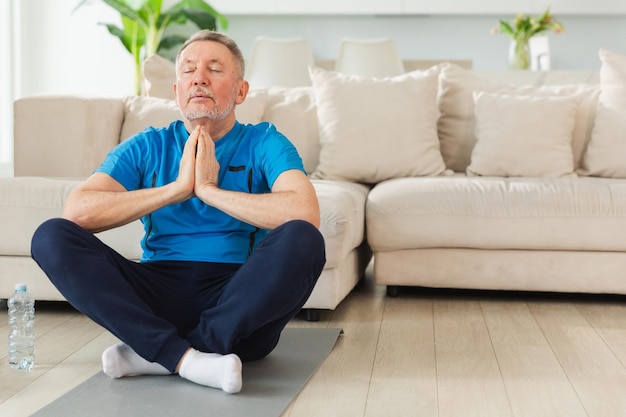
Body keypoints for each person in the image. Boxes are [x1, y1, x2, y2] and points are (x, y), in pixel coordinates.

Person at [30, 30, 326, 394]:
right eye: (188, 70)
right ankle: (191, 360)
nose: (199, 77)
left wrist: (210, 192)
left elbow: (304, 211)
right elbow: (77, 211)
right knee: (50, 235)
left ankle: (157, 354)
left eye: (215, 69)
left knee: (304, 238)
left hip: (239, 304)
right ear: (176, 92)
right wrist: (176, 190)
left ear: (241, 91)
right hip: (156, 293)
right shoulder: (148, 145)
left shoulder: (264, 141)